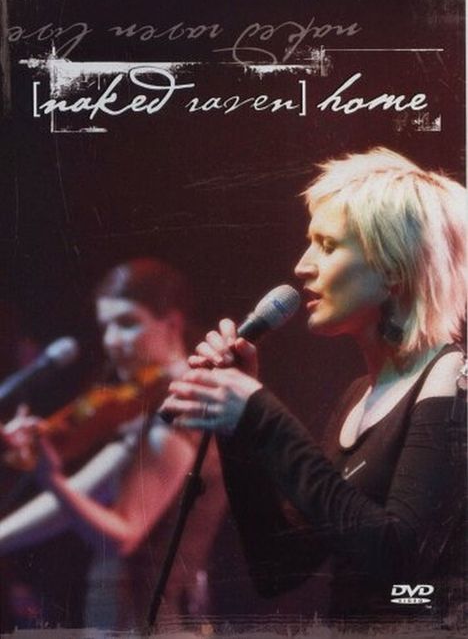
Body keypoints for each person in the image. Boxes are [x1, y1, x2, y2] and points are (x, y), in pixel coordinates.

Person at [162, 148, 467, 624]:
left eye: (327, 246)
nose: (303, 266)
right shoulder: (358, 397)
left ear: (393, 268)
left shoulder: (453, 377)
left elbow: (403, 562)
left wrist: (263, 416)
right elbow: (277, 568)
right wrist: (238, 425)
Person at [0, 258, 228, 631]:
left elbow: (124, 533)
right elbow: (83, 490)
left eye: (126, 322)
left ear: (171, 323)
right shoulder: (153, 408)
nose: (111, 341)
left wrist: (51, 479)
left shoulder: (183, 409)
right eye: (105, 327)